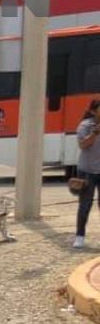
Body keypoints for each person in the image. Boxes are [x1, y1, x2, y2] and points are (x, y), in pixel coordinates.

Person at [74, 99, 100, 248]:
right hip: (87, 171)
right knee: (85, 205)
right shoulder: (85, 125)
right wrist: (95, 132)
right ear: (93, 111)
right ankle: (80, 236)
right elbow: (83, 145)